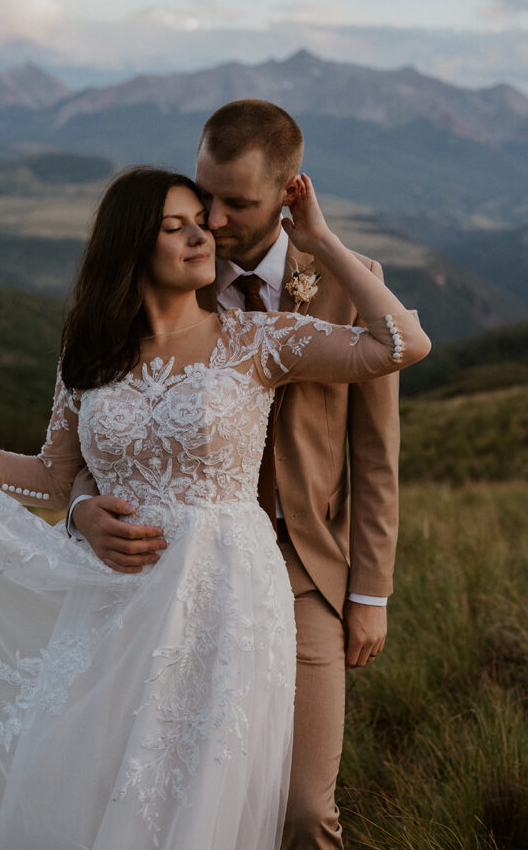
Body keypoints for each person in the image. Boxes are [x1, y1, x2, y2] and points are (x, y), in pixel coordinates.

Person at [0, 166, 430, 850]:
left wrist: (322, 240)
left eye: (201, 220)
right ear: (132, 244)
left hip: (228, 601)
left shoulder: (255, 339)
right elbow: (48, 477)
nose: (202, 234)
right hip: (116, 600)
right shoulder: (90, 352)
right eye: (174, 226)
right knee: (93, 786)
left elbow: (401, 344)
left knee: (200, 799)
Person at [66, 101, 403, 850]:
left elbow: (376, 457)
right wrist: (81, 509)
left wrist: (369, 592)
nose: (211, 220)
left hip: (300, 569)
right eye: (204, 193)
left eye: (236, 203)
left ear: (288, 195)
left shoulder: (351, 285)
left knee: (302, 808)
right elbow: (99, 439)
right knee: (173, 789)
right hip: (166, 574)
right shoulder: (172, 274)